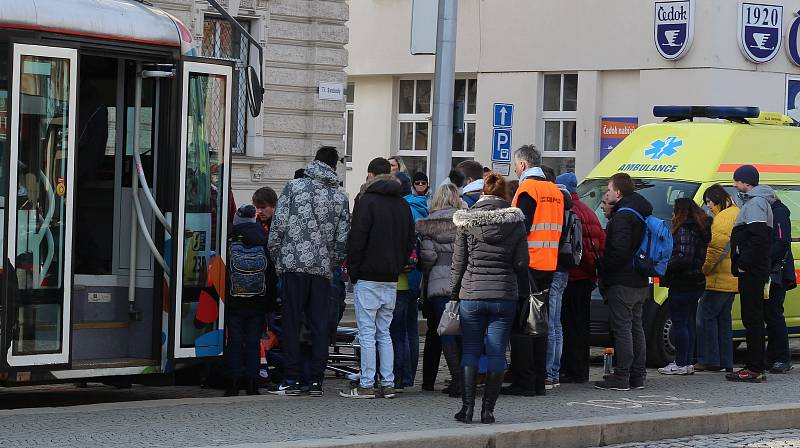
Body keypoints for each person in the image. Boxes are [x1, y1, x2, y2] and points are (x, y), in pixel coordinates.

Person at [268, 146, 351, 397]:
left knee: (292, 323)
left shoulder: (294, 187)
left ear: (314, 161)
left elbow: (278, 226)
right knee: (319, 326)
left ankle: (291, 379)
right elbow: (341, 240)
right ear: (334, 166)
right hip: (322, 271)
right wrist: (332, 263)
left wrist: (278, 258)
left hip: (293, 265)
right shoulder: (340, 197)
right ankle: (316, 381)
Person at [450, 173, 530, 424]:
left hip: (471, 295)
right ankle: (488, 411)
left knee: (471, 350)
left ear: (482, 192)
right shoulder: (515, 222)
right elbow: (521, 262)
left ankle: (466, 409)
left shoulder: (467, 221)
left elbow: (459, 262)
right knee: (497, 352)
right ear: (503, 194)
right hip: (504, 295)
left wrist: (454, 293)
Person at [342, 157, 415, 399]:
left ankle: (366, 383)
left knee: (367, 332)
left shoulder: (368, 201)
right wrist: (398, 265)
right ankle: (388, 382)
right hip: (392, 278)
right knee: (384, 331)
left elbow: (357, 240)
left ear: (371, 175)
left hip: (368, 276)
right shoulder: (403, 205)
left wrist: (354, 270)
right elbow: (409, 241)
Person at [505, 144, 565, 397]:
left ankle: (525, 381)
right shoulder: (555, 191)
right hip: (549, 263)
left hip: (527, 264)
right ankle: (539, 380)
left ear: (522, 165)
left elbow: (522, 227)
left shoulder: (528, 188)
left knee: (521, 326)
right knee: (538, 324)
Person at [594, 173, 652, 391]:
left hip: (623, 280)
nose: (608, 194)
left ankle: (622, 376)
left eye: (609, 189)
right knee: (636, 328)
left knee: (623, 329)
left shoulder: (623, 216)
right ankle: (638, 375)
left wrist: (603, 268)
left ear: (618, 192)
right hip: (639, 280)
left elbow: (618, 251)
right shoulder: (640, 211)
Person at [556, 172, 605, 384]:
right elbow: (599, 242)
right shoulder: (588, 211)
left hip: (573, 276)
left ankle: (571, 370)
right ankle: (581, 370)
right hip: (588, 277)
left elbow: (576, 249)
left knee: (567, 326)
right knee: (581, 327)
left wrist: (579, 266)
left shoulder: (567, 211)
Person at [728, 165, 774, 383]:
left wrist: (743, 264)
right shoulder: (757, 202)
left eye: (737, 181)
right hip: (756, 269)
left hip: (752, 270)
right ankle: (756, 367)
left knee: (752, 318)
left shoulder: (755, 203)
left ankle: (754, 368)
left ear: (746, 183)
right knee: (754, 318)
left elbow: (757, 238)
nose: (735, 185)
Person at [417, 183, 463, 396]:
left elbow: (428, 258)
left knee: (437, 332)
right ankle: (459, 378)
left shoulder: (429, 225)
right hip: (461, 284)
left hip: (437, 285)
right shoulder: (465, 223)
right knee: (457, 332)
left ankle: (428, 380)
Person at [658, 198, 710, 376]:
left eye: (674, 211)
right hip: (696, 280)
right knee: (688, 322)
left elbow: (683, 256)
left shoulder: (684, 229)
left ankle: (680, 362)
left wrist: (665, 266)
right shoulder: (699, 229)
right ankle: (687, 362)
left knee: (680, 322)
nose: (672, 214)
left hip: (682, 281)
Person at [225, 205, 271, 396]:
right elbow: (271, 273)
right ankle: (253, 384)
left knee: (234, 341)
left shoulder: (229, 237)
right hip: (258, 300)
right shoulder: (263, 236)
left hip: (235, 299)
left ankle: (233, 384)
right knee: (253, 342)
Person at [696, 185, 739, 373]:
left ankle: (709, 359)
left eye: (709, 203)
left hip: (718, 279)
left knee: (705, 318)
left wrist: (703, 269)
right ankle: (726, 361)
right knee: (723, 321)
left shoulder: (723, 218)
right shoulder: (737, 212)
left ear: (717, 200)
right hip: (731, 278)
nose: (708, 207)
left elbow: (715, 249)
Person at [391, 171, 428, 389]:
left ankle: (401, 374)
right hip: (417, 276)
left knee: (399, 329)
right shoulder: (421, 206)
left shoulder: (402, 209)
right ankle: (410, 374)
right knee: (411, 328)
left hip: (402, 276)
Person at [544, 177, 574, 389]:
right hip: (564, 269)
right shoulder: (572, 213)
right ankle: (553, 371)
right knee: (557, 323)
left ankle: (549, 372)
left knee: (551, 323)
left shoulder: (556, 213)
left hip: (553, 268)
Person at [765, 188, 796, 374]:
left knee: (774, 315)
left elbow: (782, 242)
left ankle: (782, 357)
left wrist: (765, 259)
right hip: (773, 270)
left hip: (777, 272)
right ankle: (773, 356)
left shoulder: (779, 212)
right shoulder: (774, 211)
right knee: (769, 314)